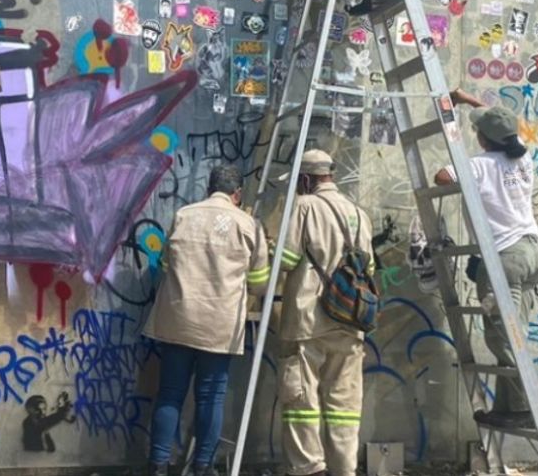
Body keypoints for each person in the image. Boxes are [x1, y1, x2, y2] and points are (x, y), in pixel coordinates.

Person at [144, 165, 271, 476]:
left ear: (208, 188)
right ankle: (203, 466)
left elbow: (163, 265)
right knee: (210, 396)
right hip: (219, 325)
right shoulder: (248, 225)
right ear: (237, 194)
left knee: (170, 392)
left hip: (178, 319)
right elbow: (260, 283)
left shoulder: (184, 215)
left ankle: (158, 465)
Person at [433, 92, 538, 430]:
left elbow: (442, 177)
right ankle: (511, 408)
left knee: (503, 337)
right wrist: (466, 98)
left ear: (484, 139)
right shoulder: (522, 157)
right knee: (513, 332)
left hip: (504, 259)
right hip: (531, 253)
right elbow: (502, 120)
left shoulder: (480, 165)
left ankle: (527, 408)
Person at [275, 150, 375, 476]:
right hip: (350, 323)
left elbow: (287, 260)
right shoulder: (359, 213)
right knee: (344, 406)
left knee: (301, 402)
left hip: (308, 322)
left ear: (306, 179)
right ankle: (344, 469)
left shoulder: (304, 206)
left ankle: (309, 468)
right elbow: (369, 267)